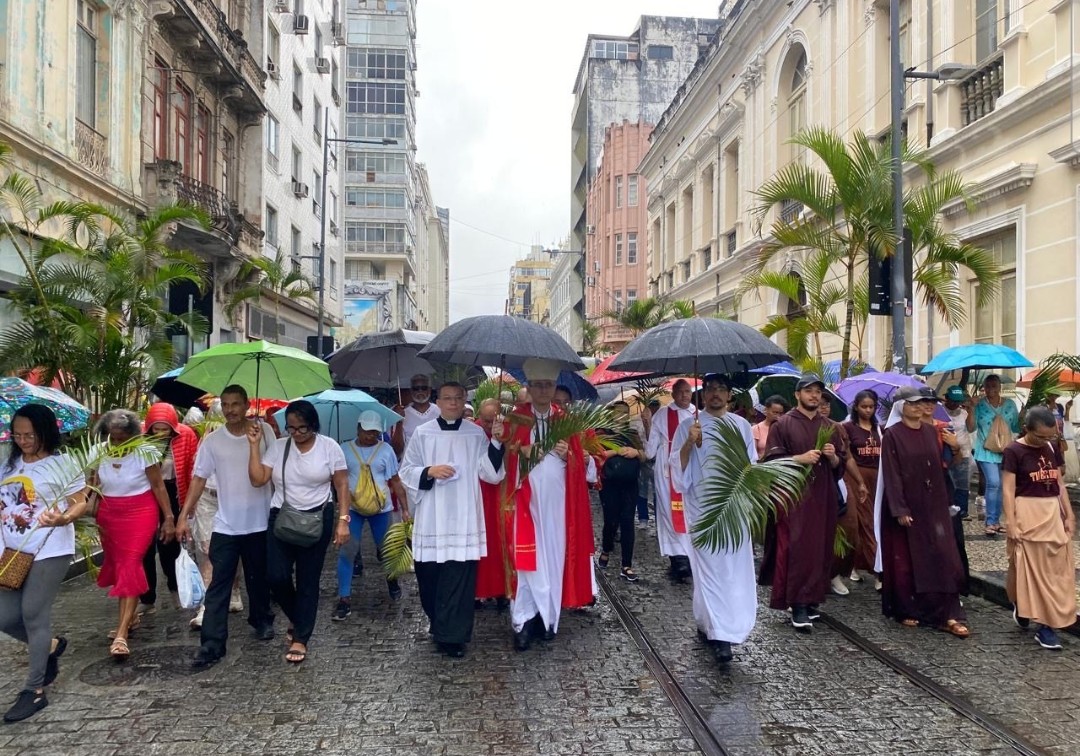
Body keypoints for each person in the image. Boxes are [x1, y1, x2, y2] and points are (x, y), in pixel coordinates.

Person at [399, 382, 507, 657]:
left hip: (464, 517)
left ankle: (454, 637)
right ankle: (439, 623)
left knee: (459, 580)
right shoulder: (423, 433)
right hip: (433, 515)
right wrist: (429, 471)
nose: (453, 403)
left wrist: (496, 442)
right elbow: (406, 471)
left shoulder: (475, 434)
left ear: (463, 401)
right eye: (447, 398)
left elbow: (490, 474)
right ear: (438, 401)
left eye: (458, 399)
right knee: (429, 577)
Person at [176, 385, 276, 668]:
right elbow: (198, 478)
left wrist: (257, 441)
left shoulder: (264, 432)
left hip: (259, 520)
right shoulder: (213, 442)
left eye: (236, 404)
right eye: (227, 404)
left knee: (259, 577)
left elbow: (273, 470)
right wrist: (185, 514)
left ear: (246, 405)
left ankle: (262, 619)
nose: (231, 410)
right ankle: (212, 643)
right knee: (219, 583)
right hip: (227, 524)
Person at [0, 405, 90, 721]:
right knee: (4, 616)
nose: (23, 441)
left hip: (50, 548)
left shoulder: (62, 463)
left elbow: (81, 503)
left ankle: (34, 691)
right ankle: (50, 646)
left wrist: (63, 517)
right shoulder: (8, 464)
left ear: (46, 432)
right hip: (11, 552)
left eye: (31, 435)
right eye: (18, 435)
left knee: (33, 613)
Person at [247, 400, 350, 664]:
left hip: (318, 518)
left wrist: (343, 520)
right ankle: (298, 617)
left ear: (313, 425)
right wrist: (254, 446)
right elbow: (258, 479)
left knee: (308, 579)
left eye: (302, 428)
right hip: (281, 516)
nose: (297, 434)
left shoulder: (329, 448)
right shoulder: (280, 447)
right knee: (276, 576)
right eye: (291, 428)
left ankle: (301, 638)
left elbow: (341, 484)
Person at [504, 358, 596, 651]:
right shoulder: (516, 418)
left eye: (548, 385)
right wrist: (520, 451)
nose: (543, 390)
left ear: (555, 387)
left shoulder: (565, 420)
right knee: (527, 560)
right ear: (528, 387)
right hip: (525, 502)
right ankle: (523, 621)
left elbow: (581, 468)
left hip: (558, 504)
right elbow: (503, 461)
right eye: (537, 385)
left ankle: (548, 618)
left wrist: (569, 452)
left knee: (554, 558)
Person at [670, 374, 758, 664]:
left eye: (721, 389)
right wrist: (688, 443)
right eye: (710, 390)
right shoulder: (689, 426)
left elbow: (751, 466)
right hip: (703, 508)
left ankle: (711, 619)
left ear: (729, 395)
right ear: (703, 395)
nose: (716, 394)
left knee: (732, 569)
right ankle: (720, 635)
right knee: (708, 569)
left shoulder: (741, 426)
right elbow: (676, 469)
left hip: (733, 507)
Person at [876, 387, 969, 637]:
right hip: (908, 505)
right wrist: (899, 508)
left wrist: (945, 503)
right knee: (908, 560)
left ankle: (946, 612)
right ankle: (909, 608)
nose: (918, 407)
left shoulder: (931, 431)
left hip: (934, 503)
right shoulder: (892, 435)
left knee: (942, 556)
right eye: (913, 403)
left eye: (921, 404)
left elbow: (940, 467)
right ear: (901, 407)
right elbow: (891, 473)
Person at [759, 375, 845, 632]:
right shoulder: (783, 425)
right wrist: (799, 458)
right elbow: (771, 463)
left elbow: (840, 464)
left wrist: (831, 458)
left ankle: (812, 600)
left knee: (819, 548)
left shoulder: (830, 426)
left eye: (818, 391)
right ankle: (796, 603)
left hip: (823, 497)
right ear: (797, 395)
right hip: (793, 498)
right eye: (808, 391)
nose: (814, 396)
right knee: (797, 549)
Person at [91, 409, 175, 659]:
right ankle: (131, 617)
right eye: (112, 438)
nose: (117, 443)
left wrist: (169, 518)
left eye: (122, 438)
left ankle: (121, 634)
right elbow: (93, 484)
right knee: (119, 566)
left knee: (130, 563)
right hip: (108, 514)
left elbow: (158, 485)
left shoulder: (145, 452)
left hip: (140, 512)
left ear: (133, 436)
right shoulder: (97, 452)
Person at [1002, 407, 1076, 650]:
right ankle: (1043, 624)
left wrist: (1069, 514)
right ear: (1027, 429)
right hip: (1027, 512)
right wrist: (1011, 523)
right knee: (1030, 568)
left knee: (1055, 569)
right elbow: (1008, 489)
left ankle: (1030, 608)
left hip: (1051, 511)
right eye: (1041, 437)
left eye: (1050, 437)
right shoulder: (1014, 451)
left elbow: (1059, 483)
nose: (1046, 441)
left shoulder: (1050, 447)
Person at [334, 410, 409, 621]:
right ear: (358, 429)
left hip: (381, 508)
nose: (370, 436)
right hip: (352, 508)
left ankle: (392, 580)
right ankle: (344, 598)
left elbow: (395, 481)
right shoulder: (343, 449)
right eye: (366, 432)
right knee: (347, 551)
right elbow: (337, 479)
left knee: (387, 550)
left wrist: (404, 509)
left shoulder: (386, 450)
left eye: (374, 433)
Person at [139, 403, 199, 615]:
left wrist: (189, 505)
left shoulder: (187, 435)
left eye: (165, 429)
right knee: (144, 547)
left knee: (170, 545)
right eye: (156, 428)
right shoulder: (138, 436)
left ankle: (176, 590)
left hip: (175, 491)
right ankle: (147, 598)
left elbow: (193, 470)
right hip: (146, 494)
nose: (161, 433)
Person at [644, 379, 697, 580]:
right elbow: (650, 451)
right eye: (681, 392)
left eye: (688, 391)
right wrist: (647, 423)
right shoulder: (663, 414)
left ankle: (692, 556)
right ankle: (678, 558)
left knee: (690, 511)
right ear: (673, 394)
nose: (685, 396)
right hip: (667, 468)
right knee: (669, 510)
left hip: (691, 466)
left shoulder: (697, 414)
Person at [596, 401, 644, 581]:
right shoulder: (603, 434)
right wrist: (617, 451)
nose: (622, 415)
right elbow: (598, 455)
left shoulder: (632, 434)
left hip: (630, 484)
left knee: (627, 522)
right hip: (610, 484)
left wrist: (636, 452)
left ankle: (626, 564)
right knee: (611, 521)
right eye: (619, 412)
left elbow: (645, 454)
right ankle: (607, 548)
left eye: (626, 412)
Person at [968, 374, 1020, 537]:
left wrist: (1024, 413)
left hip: (1005, 451)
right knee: (994, 483)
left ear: (1000, 387)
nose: (990, 389)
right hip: (985, 451)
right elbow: (970, 428)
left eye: (994, 386)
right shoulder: (980, 405)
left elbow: (1016, 426)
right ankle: (990, 522)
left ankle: (997, 521)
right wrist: (971, 408)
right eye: (987, 386)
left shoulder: (1010, 405)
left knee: (1002, 486)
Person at [839, 390, 880, 587]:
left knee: (875, 519)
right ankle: (879, 570)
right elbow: (847, 455)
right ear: (856, 406)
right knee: (864, 521)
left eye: (871, 407)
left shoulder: (878, 429)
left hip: (877, 475)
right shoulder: (847, 428)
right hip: (857, 476)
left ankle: (858, 562)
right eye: (864, 406)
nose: (868, 410)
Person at [473, 398, 511, 605]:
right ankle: (479, 589)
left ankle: (501, 588)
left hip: (502, 492)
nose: (488, 425)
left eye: (492, 420)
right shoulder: (474, 432)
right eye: (485, 420)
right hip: (479, 492)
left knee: (500, 541)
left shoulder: (508, 430)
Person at [943, 386, 974, 520]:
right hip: (946, 451)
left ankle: (962, 510)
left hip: (964, 451)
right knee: (948, 481)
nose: (955, 404)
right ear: (947, 398)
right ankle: (947, 507)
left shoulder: (964, 413)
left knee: (962, 482)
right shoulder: (940, 411)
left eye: (958, 401)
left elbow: (971, 428)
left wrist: (971, 410)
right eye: (952, 401)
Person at [752, 395, 788, 460]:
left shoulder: (786, 429)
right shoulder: (756, 429)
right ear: (766, 410)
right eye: (775, 413)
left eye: (781, 413)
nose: (778, 416)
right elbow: (752, 455)